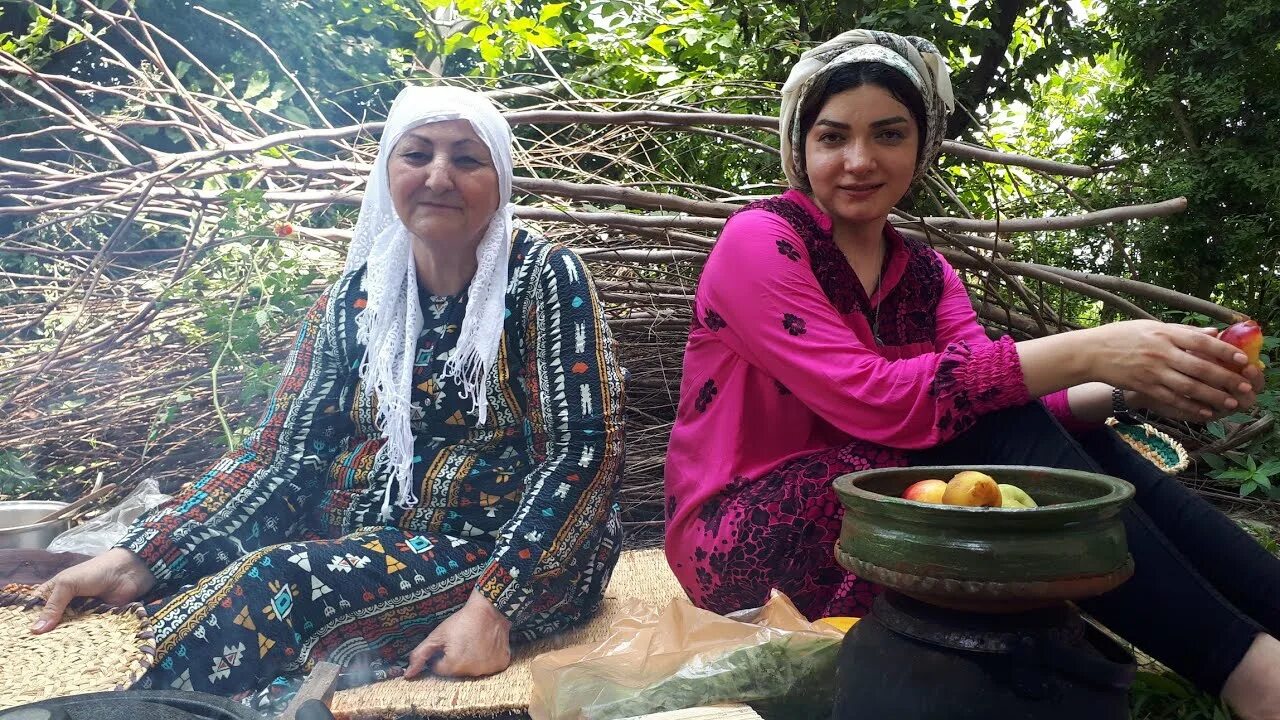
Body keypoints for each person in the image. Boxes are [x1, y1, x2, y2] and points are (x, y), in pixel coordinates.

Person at [663, 30, 1280, 720]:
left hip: (879, 498)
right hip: (744, 533)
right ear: (800, 149)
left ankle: (1265, 639)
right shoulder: (761, 241)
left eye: (889, 135)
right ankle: (1251, 676)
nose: (859, 160)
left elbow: (997, 405)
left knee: (1030, 428)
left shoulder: (926, 274)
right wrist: (1091, 348)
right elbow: (880, 401)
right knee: (972, 419)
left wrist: (1135, 382)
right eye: (833, 138)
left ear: (921, 147)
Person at [31, 86, 626, 705]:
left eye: (467, 160)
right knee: (189, 571)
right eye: (416, 154)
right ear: (388, 172)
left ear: (500, 179)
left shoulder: (544, 280)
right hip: (363, 536)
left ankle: (138, 711)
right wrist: (140, 555)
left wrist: (493, 609)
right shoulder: (354, 300)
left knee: (273, 582)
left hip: (511, 554)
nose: (438, 177)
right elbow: (279, 454)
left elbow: (582, 457)